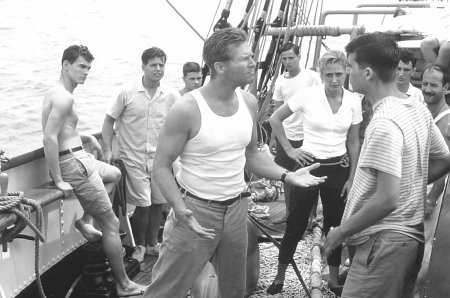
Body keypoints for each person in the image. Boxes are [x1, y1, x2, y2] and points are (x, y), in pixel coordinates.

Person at [144, 27, 327, 298]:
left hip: (237, 209)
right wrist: (180, 210)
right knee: (165, 290)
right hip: (195, 209)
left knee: (234, 290)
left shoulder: (249, 102)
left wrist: (287, 176)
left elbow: (252, 155)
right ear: (219, 66)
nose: (253, 63)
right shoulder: (187, 109)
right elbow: (160, 165)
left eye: (252, 56)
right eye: (245, 59)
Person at [323, 32, 450, 298]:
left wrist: (340, 232)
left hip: (384, 245)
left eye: (351, 66)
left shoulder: (384, 122)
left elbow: (387, 198)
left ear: (367, 73)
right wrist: (408, 185)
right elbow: (444, 159)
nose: (347, 72)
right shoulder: (415, 108)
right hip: (407, 240)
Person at [42, 45, 146, 297]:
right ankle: (124, 285)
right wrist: (58, 179)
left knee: (114, 173)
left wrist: (86, 136)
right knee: (110, 223)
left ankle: (86, 220)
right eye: (81, 66)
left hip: (79, 155)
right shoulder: (65, 97)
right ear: (66, 65)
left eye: (88, 67)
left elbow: (61, 130)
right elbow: (49, 138)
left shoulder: (57, 92)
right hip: (74, 163)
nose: (86, 72)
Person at [268, 50, 361, 296]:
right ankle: (279, 276)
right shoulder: (307, 95)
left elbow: (353, 142)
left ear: (346, 72)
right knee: (296, 223)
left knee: (335, 224)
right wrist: (290, 150)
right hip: (308, 167)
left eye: (339, 74)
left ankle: (332, 280)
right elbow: (275, 119)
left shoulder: (353, 100)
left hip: (338, 169)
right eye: (328, 75)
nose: (334, 80)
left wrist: (352, 177)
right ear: (321, 75)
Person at [102, 47, 181, 263]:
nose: (158, 69)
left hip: (161, 159)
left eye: (161, 65)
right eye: (153, 64)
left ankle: (152, 243)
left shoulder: (172, 95)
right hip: (132, 158)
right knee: (143, 204)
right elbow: (109, 121)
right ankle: (139, 246)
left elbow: (182, 124)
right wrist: (108, 149)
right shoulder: (127, 92)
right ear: (143, 67)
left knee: (158, 202)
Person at [269, 42, 322, 224]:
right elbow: (276, 112)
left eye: (291, 57)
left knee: (310, 176)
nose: (288, 61)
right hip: (287, 136)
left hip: (308, 136)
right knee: (286, 177)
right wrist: (273, 138)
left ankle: (312, 216)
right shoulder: (280, 81)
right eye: (284, 58)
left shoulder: (313, 78)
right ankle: (289, 213)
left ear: (299, 57)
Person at [416, 64, 450, 297]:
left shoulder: (447, 120)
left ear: (446, 88)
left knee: (424, 250)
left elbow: (447, 164)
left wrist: (431, 198)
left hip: (431, 194)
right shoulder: (422, 111)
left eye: (433, 85)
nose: (427, 89)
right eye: (425, 83)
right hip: (414, 189)